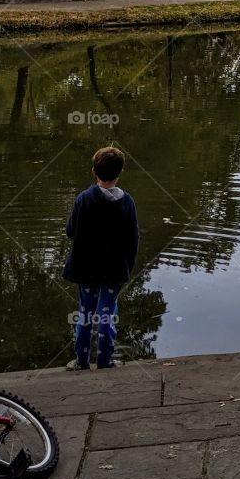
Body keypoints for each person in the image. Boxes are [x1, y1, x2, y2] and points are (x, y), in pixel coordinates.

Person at [62, 147, 139, 371]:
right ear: (120, 173)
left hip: (87, 270)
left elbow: (70, 231)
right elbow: (133, 239)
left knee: (85, 313)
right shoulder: (128, 202)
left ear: (93, 171)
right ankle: (105, 360)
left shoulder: (84, 199)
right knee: (107, 314)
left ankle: (82, 361)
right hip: (114, 271)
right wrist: (128, 266)